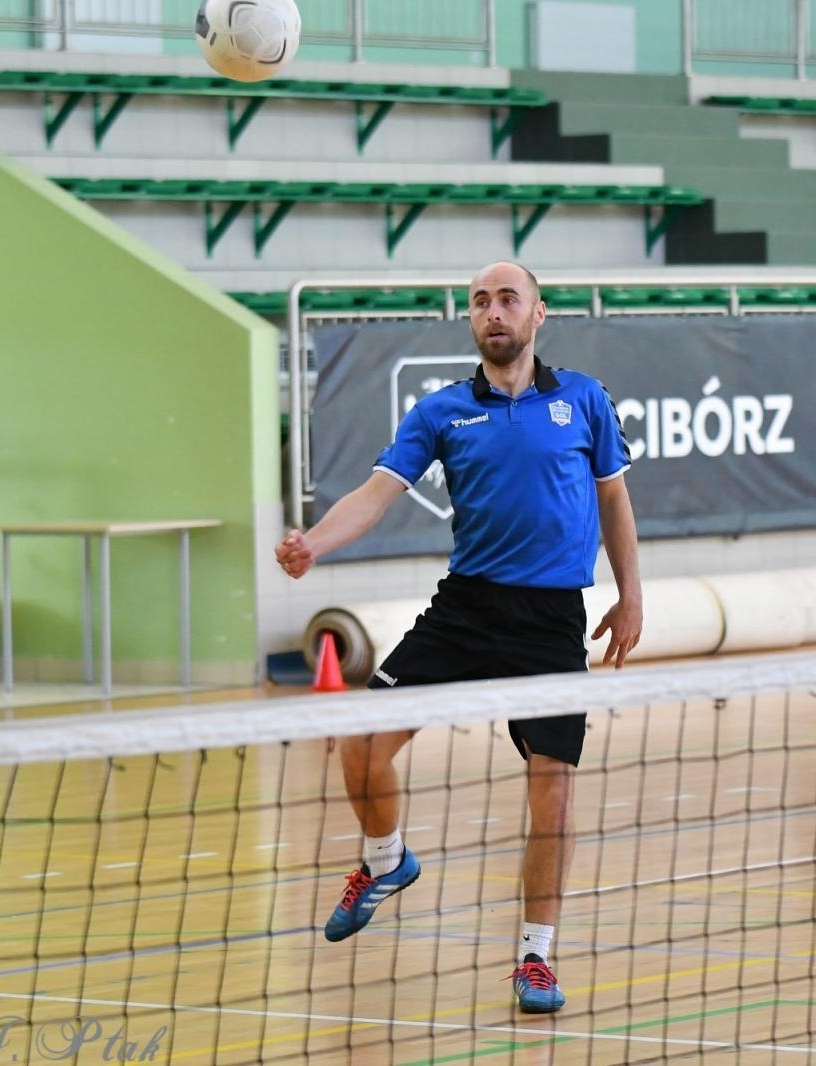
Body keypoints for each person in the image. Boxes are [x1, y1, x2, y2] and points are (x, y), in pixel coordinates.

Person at [274, 260, 643, 1015]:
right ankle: (385, 860)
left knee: (555, 792)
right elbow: (376, 494)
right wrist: (314, 542)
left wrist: (631, 595)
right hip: (466, 611)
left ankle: (535, 958)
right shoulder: (441, 411)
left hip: (549, 623)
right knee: (360, 740)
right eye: (480, 302)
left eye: (508, 299)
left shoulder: (584, 399)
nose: (493, 311)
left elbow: (614, 498)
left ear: (539, 314)